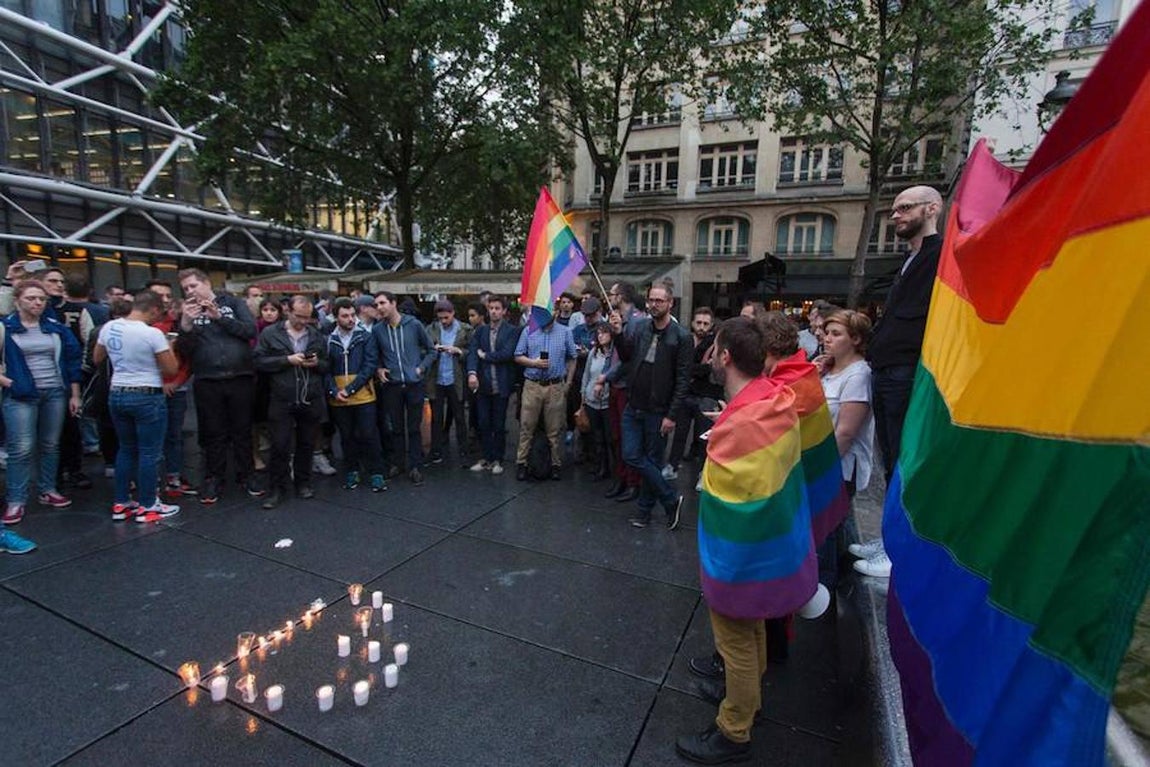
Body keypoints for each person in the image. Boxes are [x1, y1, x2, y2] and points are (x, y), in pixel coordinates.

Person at [675, 316, 805, 765]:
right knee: (751, 631)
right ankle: (747, 701)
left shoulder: (742, 424)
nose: (708, 355)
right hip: (770, 549)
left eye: (713, 348)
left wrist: (722, 439)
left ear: (725, 356)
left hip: (742, 554)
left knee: (736, 638)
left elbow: (724, 490)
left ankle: (734, 730)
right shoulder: (773, 399)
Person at [853, 185, 944, 578]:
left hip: (907, 372)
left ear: (932, 208)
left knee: (904, 461)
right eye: (893, 211)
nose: (896, 216)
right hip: (889, 370)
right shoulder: (912, 259)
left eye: (905, 208)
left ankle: (900, 551)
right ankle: (891, 539)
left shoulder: (940, 255)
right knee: (890, 457)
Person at [0, 280, 84, 524]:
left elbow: (72, 360)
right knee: (21, 448)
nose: (37, 303)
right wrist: (7, 382)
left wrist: (75, 394)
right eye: (30, 298)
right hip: (21, 394)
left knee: (50, 444)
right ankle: (16, 499)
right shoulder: (6, 328)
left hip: (54, 391)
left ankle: (48, 490)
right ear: (17, 300)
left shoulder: (55, 328)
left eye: (41, 299)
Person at [608, 282, 691, 529]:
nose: (654, 304)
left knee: (652, 462)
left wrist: (671, 415)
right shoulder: (642, 327)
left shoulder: (682, 336)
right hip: (634, 405)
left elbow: (683, 379)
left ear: (670, 303)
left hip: (659, 411)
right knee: (631, 455)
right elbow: (626, 357)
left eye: (659, 301)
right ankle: (670, 498)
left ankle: (644, 512)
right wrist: (618, 333)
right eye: (651, 300)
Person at [94, 290, 181, 522]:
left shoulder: (109, 327)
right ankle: (149, 505)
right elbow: (171, 370)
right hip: (147, 394)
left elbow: (97, 358)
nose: (159, 317)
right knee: (149, 452)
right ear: (152, 309)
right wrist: (170, 345)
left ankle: (121, 503)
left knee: (126, 448)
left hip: (118, 393)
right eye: (159, 313)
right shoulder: (152, 333)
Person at [177, 268, 260, 505]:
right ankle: (214, 478)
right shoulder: (188, 312)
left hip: (240, 376)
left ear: (205, 283)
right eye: (186, 289)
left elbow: (249, 331)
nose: (190, 291)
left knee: (243, 431)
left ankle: (248, 475)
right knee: (213, 433)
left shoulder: (232, 303)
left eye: (193, 286)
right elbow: (185, 350)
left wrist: (220, 318)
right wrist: (185, 324)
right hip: (207, 379)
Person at [253, 295, 329, 508]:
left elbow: (326, 365)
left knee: (306, 443)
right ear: (288, 311)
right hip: (282, 397)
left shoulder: (315, 335)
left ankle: (303, 483)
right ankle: (276, 488)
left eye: (307, 317)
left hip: (309, 396)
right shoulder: (271, 333)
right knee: (280, 445)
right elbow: (258, 361)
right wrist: (286, 360)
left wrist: (316, 363)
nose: (304, 321)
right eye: (299, 316)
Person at [371, 291, 435, 486]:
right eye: (376, 304)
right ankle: (398, 463)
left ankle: (415, 466)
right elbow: (375, 356)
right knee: (396, 428)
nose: (379, 307)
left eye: (382, 303)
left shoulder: (413, 324)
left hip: (414, 384)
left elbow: (432, 350)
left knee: (414, 427)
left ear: (393, 303)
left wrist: (421, 368)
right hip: (392, 385)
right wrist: (379, 368)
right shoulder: (377, 329)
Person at [325, 298, 386, 492]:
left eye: (352, 315)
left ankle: (377, 472)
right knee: (346, 436)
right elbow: (325, 368)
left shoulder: (365, 336)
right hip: (338, 396)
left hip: (363, 394)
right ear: (336, 317)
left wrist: (350, 389)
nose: (350, 319)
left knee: (369, 434)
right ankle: (352, 470)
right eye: (345, 316)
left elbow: (369, 366)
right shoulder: (327, 338)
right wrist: (334, 390)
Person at [146, 280, 196, 499]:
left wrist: (176, 382)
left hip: (176, 388)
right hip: (148, 389)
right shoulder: (138, 326)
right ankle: (149, 481)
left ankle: (173, 477)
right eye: (160, 295)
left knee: (174, 435)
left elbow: (188, 358)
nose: (165, 300)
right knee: (149, 439)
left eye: (168, 296)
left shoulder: (178, 324)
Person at [513, 312, 577, 481]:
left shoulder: (565, 332)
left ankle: (555, 464)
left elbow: (572, 358)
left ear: (554, 313)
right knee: (527, 427)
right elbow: (518, 355)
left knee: (554, 429)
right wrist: (533, 363)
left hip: (555, 385)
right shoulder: (528, 331)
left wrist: (568, 383)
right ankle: (522, 463)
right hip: (533, 384)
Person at [665, 306, 721, 481]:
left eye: (706, 323)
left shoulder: (715, 344)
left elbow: (706, 369)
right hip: (686, 394)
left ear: (711, 325)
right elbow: (679, 367)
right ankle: (672, 466)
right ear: (692, 323)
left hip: (706, 395)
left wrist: (690, 370)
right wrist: (698, 369)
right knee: (679, 433)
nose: (702, 327)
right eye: (699, 323)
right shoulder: (685, 340)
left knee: (704, 437)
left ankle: (702, 475)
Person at [55, 272, 100, 491]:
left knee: (71, 424)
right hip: (38, 380)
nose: (57, 286)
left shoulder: (75, 312)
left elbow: (87, 341)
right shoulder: (45, 313)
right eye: (52, 281)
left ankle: (69, 469)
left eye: (60, 282)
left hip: (68, 376)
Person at [466, 295, 520, 474]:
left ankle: (498, 458)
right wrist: (472, 373)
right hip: (483, 385)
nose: (494, 311)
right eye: (491, 308)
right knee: (483, 423)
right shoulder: (481, 331)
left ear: (504, 311)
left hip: (501, 384)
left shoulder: (512, 331)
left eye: (497, 308)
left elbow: (507, 354)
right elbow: (473, 352)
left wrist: (486, 356)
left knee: (498, 423)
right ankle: (486, 457)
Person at [602, 282, 643, 502]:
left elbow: (629, 359)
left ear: (622, 296)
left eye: (612, 294)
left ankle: (633, 482)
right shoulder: (616, 319)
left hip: (627, 387)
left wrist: (607, 376)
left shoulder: (637, 323)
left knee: (629, 438)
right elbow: (612, 354)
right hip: (615, 387)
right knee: (615, 436)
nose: (609, 297)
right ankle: (621, 478)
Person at [426, 299, 472, 466]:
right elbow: (424, 348)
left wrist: (459, 351)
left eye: (446, 317)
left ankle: (463, 452)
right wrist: (434, 349)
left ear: (453, 313)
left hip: (456, 378)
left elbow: (471, 351)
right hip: (437, 378)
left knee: (460, 417)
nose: (443, 321)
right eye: (440, 318)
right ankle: (435, 451)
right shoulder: (431, 329)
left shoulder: (465, 329)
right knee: (436, 418)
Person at [581, 322, 617, 480]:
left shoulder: (615, 355)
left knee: (609, 436)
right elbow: (586, 375)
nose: (601, 336)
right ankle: (599, 465)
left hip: (608, 402)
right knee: (596, 436)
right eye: (599, 333)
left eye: (604, 333)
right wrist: (583, 395)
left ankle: (611, 467)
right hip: (591, 401)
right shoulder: (593, 353)